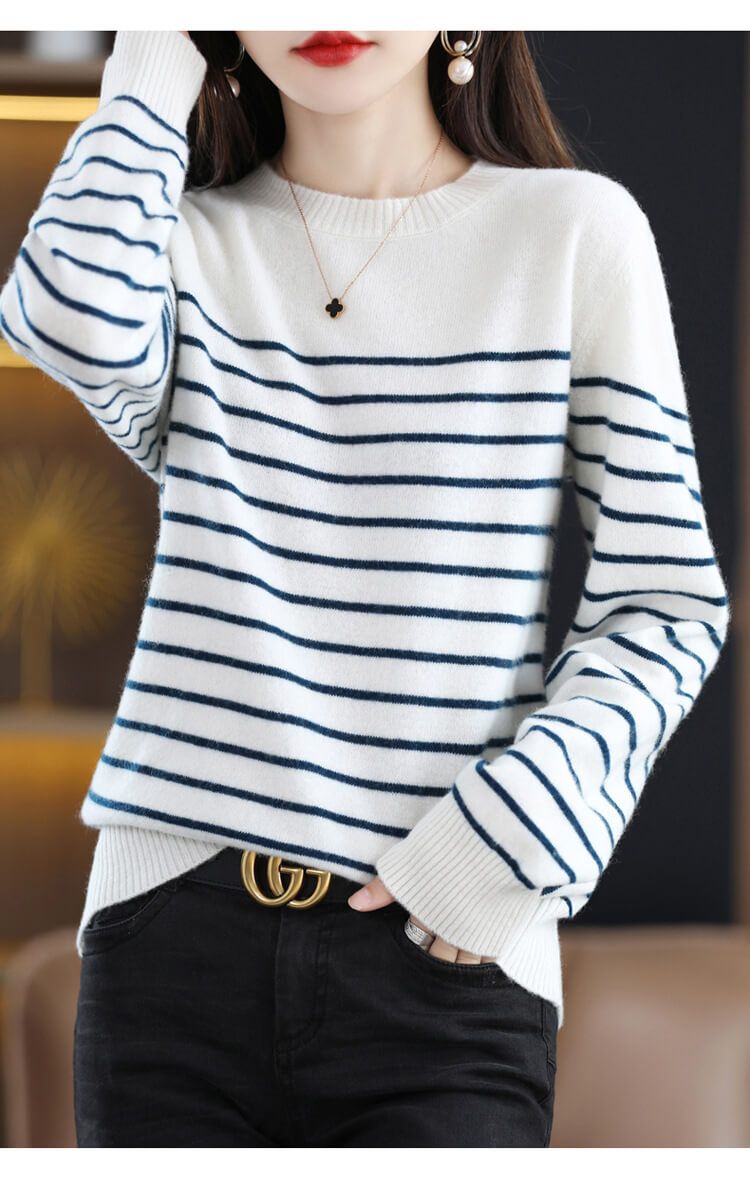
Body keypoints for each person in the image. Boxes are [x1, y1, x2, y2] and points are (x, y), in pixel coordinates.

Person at [0, 28, 730, 1148]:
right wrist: (154, 52)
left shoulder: (575, 233)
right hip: (167, 936)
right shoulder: (180, 242)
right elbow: (65, 312)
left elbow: (667, 602)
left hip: (447, 956)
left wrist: (503, 846)